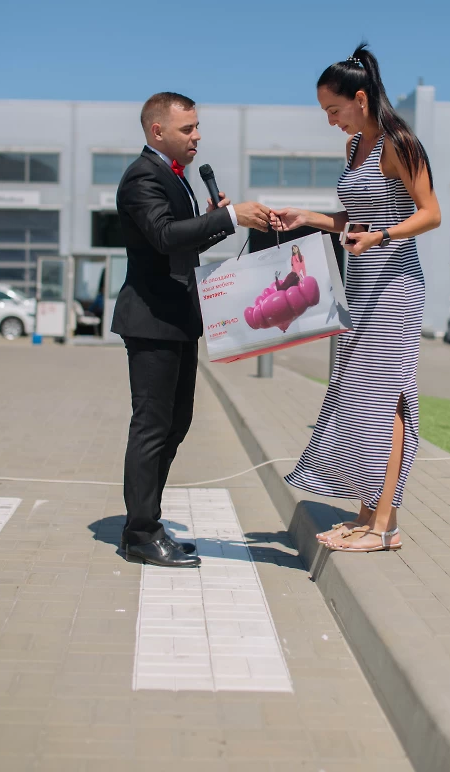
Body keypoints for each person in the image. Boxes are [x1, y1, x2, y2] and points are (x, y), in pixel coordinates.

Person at [271, 45, 441, 553]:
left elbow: (430, 213)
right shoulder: (353, 149)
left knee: (388, 398)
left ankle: (384, 526)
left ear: (361, 99)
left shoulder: (400, 143)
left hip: (395, 287)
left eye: (334, 110)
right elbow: (355, 218)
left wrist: (382, 237)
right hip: (362, 283)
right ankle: (367, 515)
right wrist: (308, 217)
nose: (331, 121)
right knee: (362, 398)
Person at [112, 92, 270, 568]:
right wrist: (228, 216)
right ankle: (141, 532)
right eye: (188, 128)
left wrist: (216, 222)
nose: (197, 135)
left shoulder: (175, 177)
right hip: (152, 322)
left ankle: (147, 523)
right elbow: (163, 236)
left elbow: (181, 243)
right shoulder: (143, 177)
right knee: (152, 426)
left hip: (179, 321)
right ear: (157, 131)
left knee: (175, 423)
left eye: (198, 126)